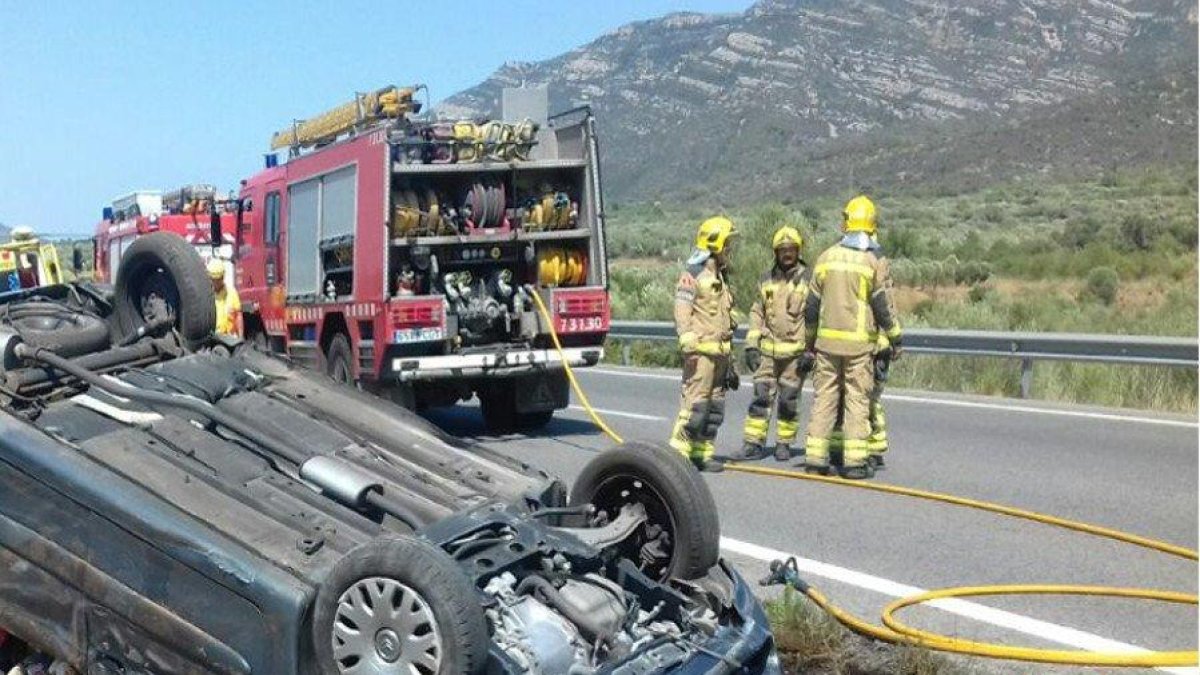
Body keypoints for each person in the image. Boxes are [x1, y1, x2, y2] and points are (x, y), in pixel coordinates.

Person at [801, 196, 901, 479]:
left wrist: (809, 343)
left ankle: (815, 459)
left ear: (846, 222)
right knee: (857, 400)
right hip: (858, 348)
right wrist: (895, 338)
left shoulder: (825, 258)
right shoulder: (870, 261)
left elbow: (810, 308)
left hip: (826, 346)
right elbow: (882, 306)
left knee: (825, 399)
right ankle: (855, 463)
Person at [670, 216, 738, 473]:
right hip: (701, 354)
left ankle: (702, 454)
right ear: (715, 244)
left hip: (719, 355)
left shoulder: (721, 277)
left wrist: (730, 360)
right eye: (727, 243)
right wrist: (688, 344)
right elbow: (682, 309)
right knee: (695, 408)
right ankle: (677, 460)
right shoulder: (692, 276)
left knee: (714, 409)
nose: (730, 249)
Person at [740, 225, 810, 461]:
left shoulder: (808, 280)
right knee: (761, 397)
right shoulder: (765, 280)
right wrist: (751, 344)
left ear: (798, 251)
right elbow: (756, 312)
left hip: (794, 354)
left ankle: (784, 444)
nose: (787, 254)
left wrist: (810, 351)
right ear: (775, 253)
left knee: (789, 400)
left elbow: (815, 317)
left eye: (791, 250)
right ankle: (752, 444)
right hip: (767, 352)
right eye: (782, 250)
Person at [208, 258, 242, 337]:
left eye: (218, 279)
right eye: (214, 280)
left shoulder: (232, 293)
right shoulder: (207, 297)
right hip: (213, 338)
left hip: (229, 339)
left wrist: (241, 337)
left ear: (222, 277)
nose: (216, 282)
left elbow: (238, 315)